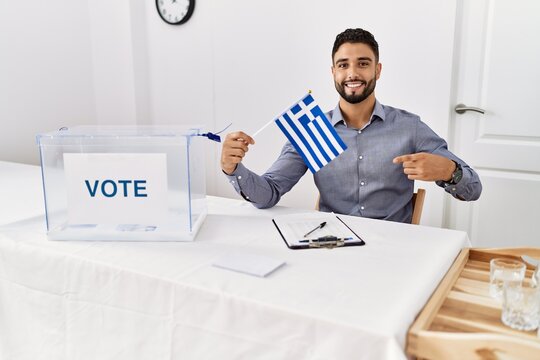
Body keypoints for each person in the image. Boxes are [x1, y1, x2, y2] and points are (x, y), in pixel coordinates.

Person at [220, 28, 482, 223]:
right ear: (333, 72)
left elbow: (474, 189)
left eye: (363, 64)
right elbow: (268, 194)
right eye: (343, 65)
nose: (353, 73)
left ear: (377, 71)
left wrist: (450, 171)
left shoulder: (409, 127)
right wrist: (233, 169)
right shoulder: (312, 130)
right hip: (330, 245)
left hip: (394, 251)